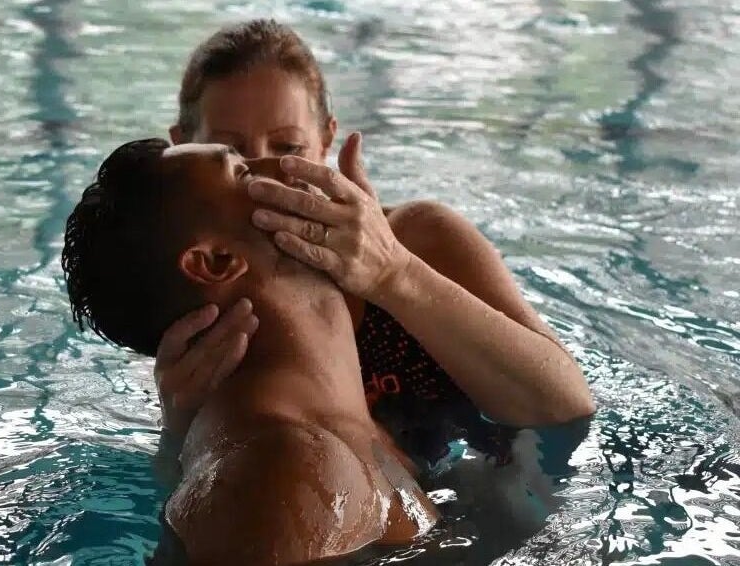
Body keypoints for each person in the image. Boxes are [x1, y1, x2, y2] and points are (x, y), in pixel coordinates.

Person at [155, 19, 595, 469]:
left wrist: (392, 274)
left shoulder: (421, 239)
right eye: (235, 156)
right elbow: (204, 496)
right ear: (182, 151)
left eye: (289, 145)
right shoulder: (203, 294)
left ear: (326, 140)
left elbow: (566, 407)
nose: (266, 169)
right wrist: (178, 426)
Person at [62, 139, 438, 564]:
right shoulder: (285, 471)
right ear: (218, 261)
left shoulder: (323, 435)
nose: (285, 167)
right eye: (244, 173)